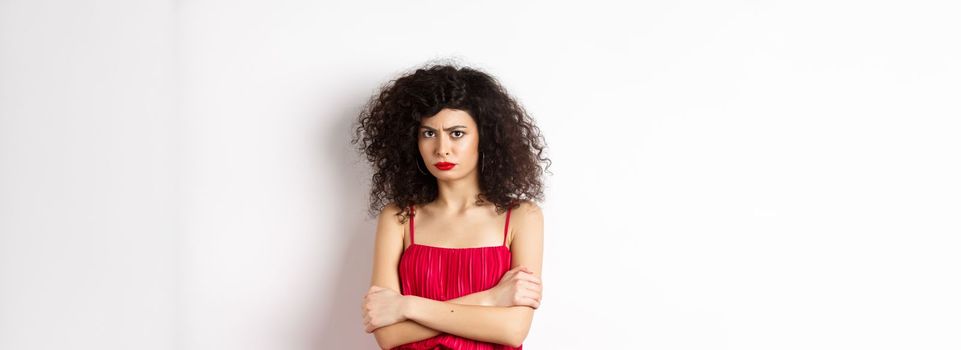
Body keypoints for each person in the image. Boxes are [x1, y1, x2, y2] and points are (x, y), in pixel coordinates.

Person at [352, 62, 551, 349]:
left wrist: (405, 306)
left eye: (457, 133)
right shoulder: (398, 217)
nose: (441, 148)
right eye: (429, 133)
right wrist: (490, 299)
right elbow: (387, 334)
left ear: (485, 137)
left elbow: (512, 330)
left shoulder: (521, 217)